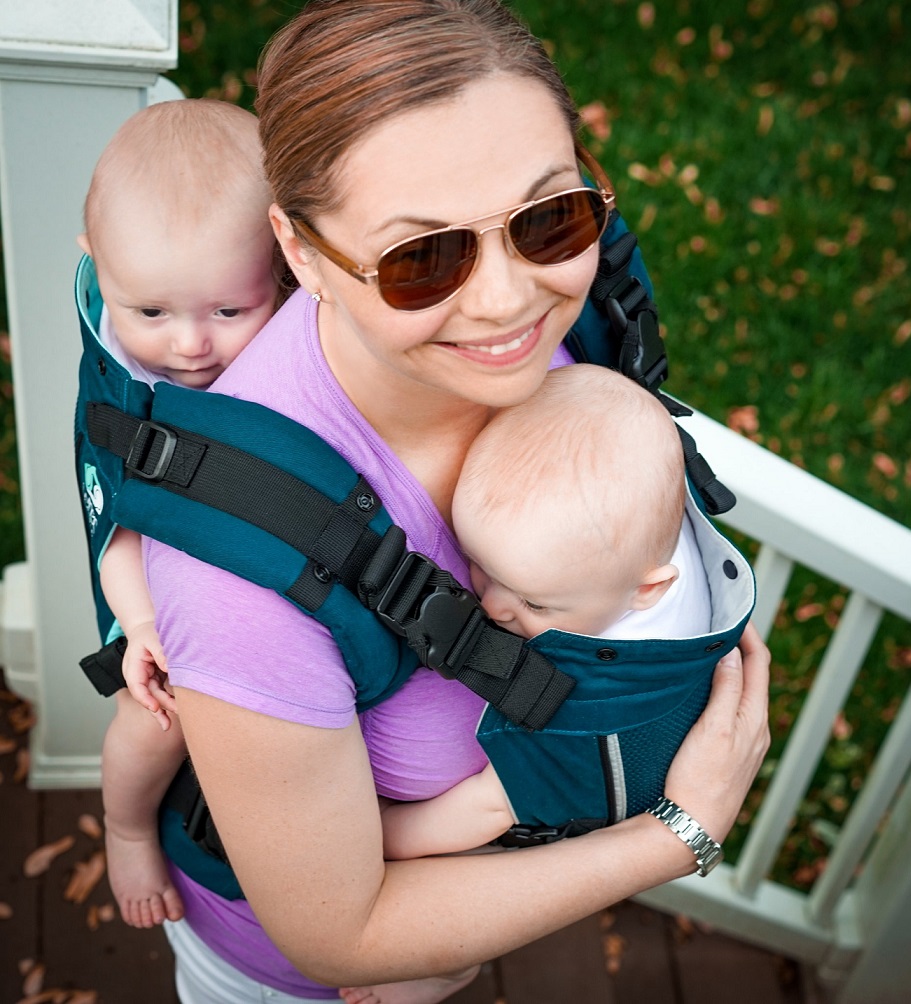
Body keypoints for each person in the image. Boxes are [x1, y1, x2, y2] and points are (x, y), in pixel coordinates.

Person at [138, 2, 770, 1002]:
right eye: (421, 259)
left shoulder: (564, 330)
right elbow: (338, 936)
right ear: (302, 254)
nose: (506, 301)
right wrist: (677, 833)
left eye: (546, 217)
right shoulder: (241, 577)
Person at [376, 362, 714, 865]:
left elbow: (488, 808)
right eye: (480, 567)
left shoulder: (590, 707)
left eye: (533, 603)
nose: (491, 605)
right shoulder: (630, 542)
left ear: (648, 589)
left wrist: (376, 835)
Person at [76, 98, 280, 928]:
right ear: (98, 267)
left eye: (230, 311)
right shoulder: (133, 389)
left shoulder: (290, 343)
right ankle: (126, 827)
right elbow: (117, 532)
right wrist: (143, 628)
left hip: (264, 572)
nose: (189, 344)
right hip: (159, 589)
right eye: (151, 312)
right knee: (154, 721)